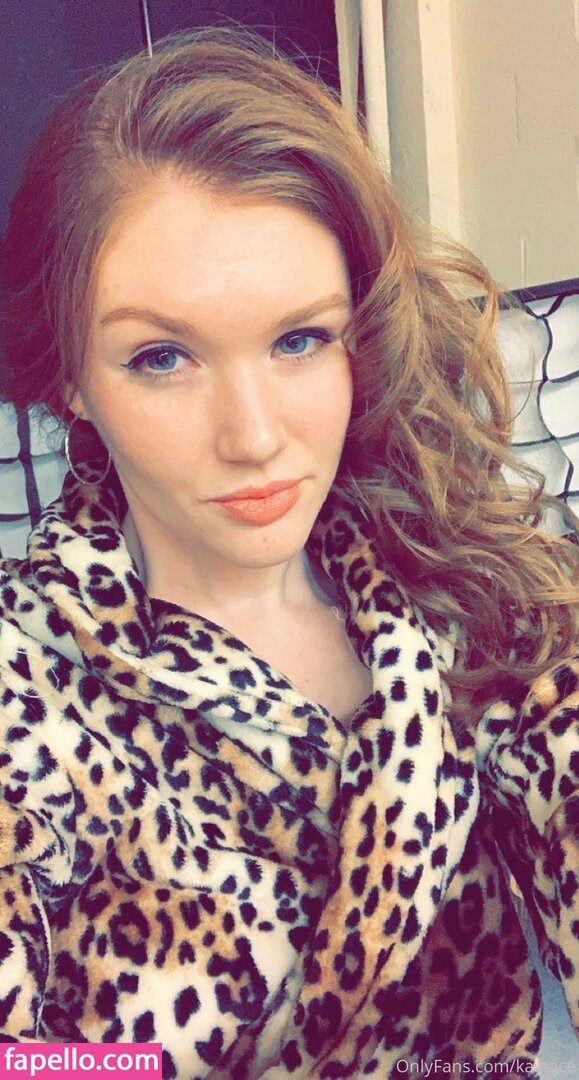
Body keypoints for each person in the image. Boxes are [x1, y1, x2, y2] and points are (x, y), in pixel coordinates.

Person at [0, 26, 577, 1080]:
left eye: (299, 339)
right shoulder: (23, 680)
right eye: (161, 357)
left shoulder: (464, 583)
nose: (255, 436)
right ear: (72, 376)